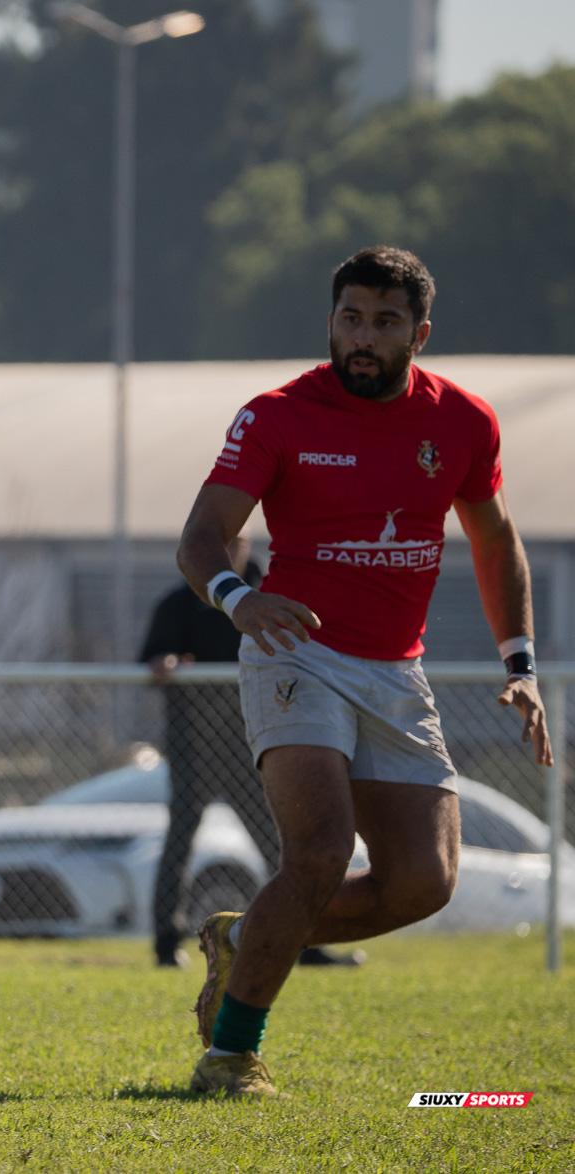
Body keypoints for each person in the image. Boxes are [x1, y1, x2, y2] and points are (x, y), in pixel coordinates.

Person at [174, 246, 554, 1097]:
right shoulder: (276, 416)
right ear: (331, 322)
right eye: (351, 318)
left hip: (394, 671)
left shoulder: (463, 421)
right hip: (294, 653)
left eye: (385, 323)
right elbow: (200, 538)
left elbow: (495, 539)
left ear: (420, 334)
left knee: (424, 882)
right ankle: (230, 1056)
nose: (363, 337)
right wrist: (239, 598)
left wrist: (520, 662)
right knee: (319, 851)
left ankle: (244, 938)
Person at [141, 543, 364, 971]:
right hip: (193, 748)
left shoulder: (270, 594)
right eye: (217, 543)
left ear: (246, 545)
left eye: (234, 543)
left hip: (254, 744)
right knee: (179, 841)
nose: (225, 552)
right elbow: (153, 659)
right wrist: (164, 664)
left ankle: (307, 939)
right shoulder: (178, 603)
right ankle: (166, 946)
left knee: (280, 839)